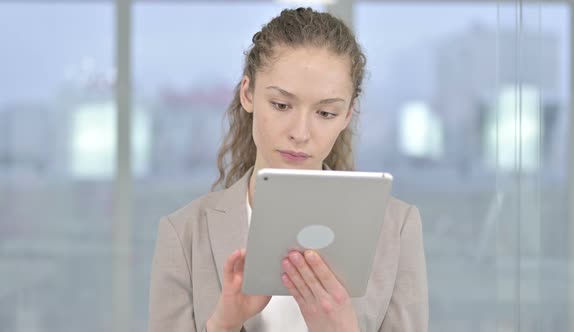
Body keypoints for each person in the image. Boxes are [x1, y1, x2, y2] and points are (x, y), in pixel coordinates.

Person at [148, 7, 428, 332]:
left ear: (348, 115)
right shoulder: (183, 234)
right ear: (248, 93)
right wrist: (223, 324)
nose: (300, 132)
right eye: (281, 105)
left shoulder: (396, 229)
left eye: (325, 113)